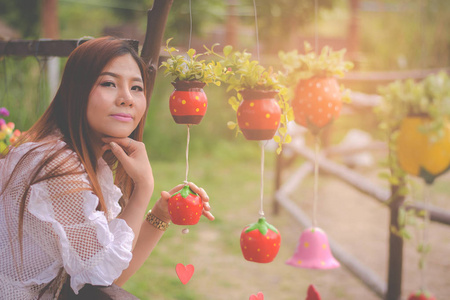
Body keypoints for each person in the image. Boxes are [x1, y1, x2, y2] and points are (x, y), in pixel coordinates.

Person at [0, 36, 214, 299]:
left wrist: (161, 214)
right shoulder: (54, 164)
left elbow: (110, 274)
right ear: (77, 91)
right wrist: (144, 188)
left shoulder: (87, 163)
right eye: (109, 83)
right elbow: (103, 274)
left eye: (137, 88)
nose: (127, 99)